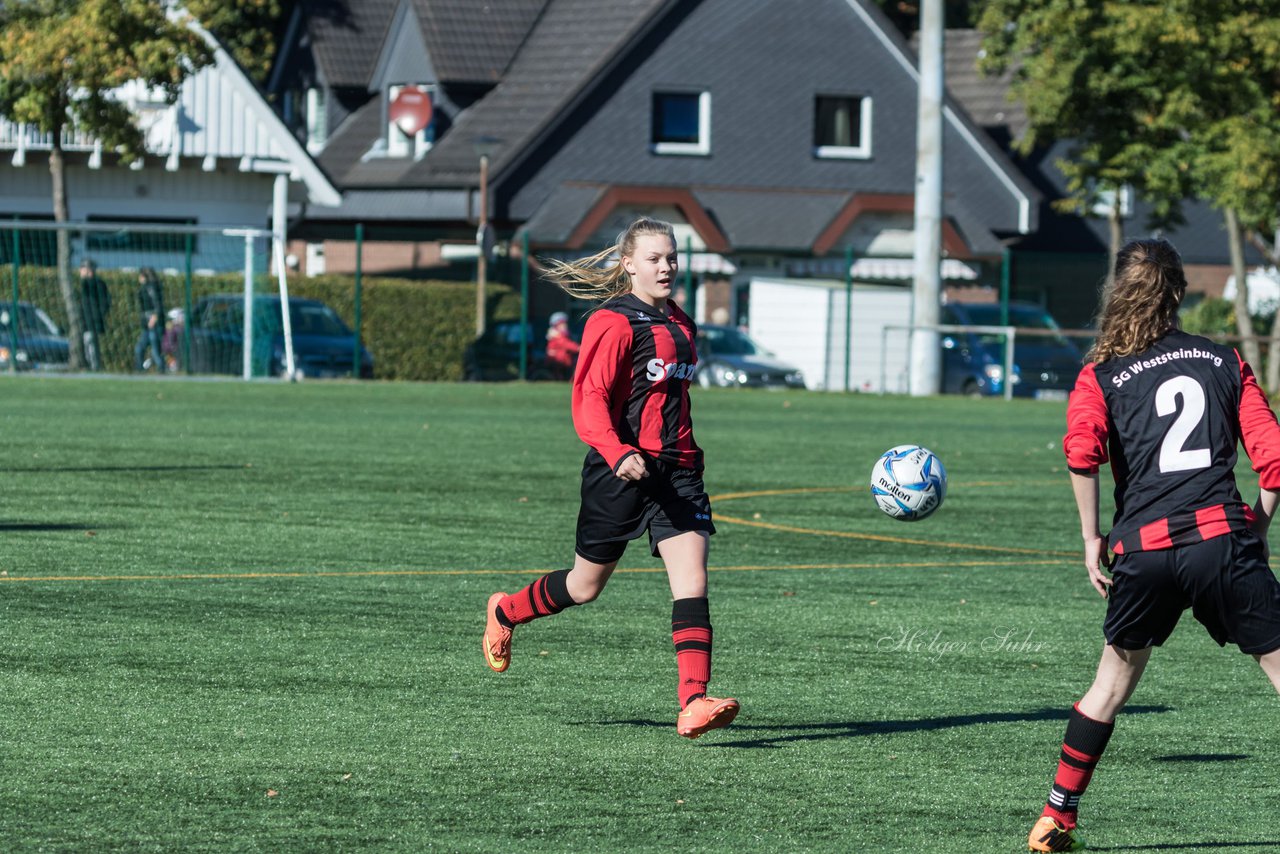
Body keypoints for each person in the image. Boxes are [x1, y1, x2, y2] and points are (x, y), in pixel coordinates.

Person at [1027, 238, 1280, 852]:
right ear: (1180, 292)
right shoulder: (1224, 360)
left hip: (1144, 550)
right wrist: (1258, 528)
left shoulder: (1101, 374)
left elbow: (1081, 454)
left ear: (1118, 292)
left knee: (1110, 685)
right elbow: (1273, 461)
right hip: (1223, 541)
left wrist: (1091, 538)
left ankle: (1057, 816)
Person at [482, 217, 740, 739]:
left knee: (692, 580)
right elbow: (589, 401)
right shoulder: (613, 322)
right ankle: (507, 611)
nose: (666, 266)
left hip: (679, 472)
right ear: (628, 264)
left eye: (671, 257)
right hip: (619, 471)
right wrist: (618, 451)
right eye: (654, 258)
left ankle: (693, 702)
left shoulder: (682, 323)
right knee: (584, 586)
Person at [78, 259, 111, 371]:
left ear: (88, 270)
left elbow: (105, 302)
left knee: (91, 344)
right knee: (87, 344)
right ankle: (90, 366)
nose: (80, 271)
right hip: (84, 320)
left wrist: (98, 315)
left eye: (82, 269)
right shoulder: (82, 284)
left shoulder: (96, 284)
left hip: (92, 320)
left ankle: (94, 367)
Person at [134, 267, 166, 373]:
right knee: (139, 348)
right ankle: (139, 370)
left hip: (153, 324)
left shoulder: (152, 288)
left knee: (155, 350)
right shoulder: (145, 288)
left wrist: (154, 318)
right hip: (146, 325)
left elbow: (158, 306)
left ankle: (162, 370)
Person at [544, 310, 580, 380]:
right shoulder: (557, 336)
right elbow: (567, 344)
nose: (565, 326)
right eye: (562, 324)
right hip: (558, 361)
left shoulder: (561, 335)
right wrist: (579, 348)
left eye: (564, 324)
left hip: (563, 360)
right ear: (556, 326)